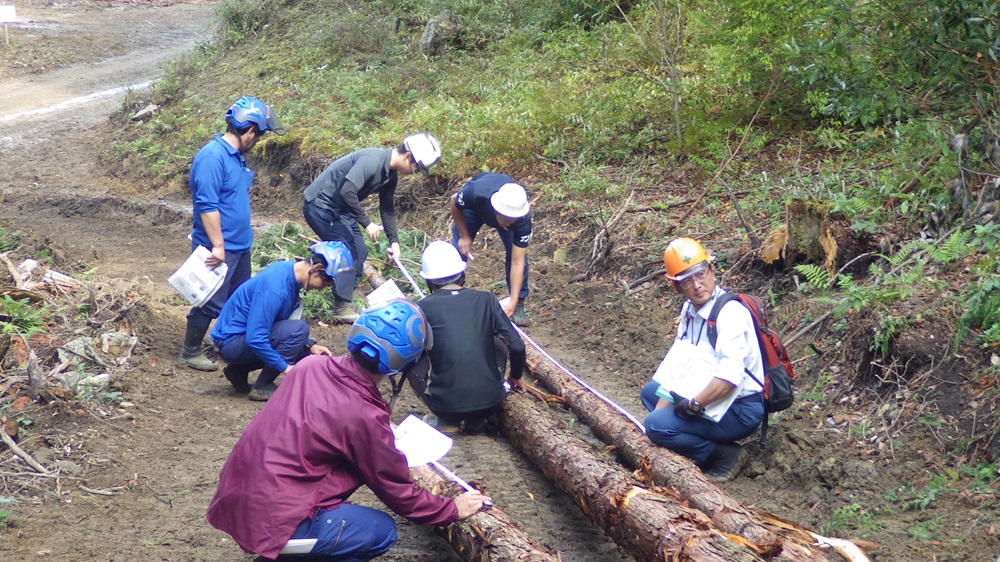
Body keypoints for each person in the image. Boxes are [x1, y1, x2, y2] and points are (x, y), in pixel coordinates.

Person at [206, 298, 490, 561]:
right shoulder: (365, 414)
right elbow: (396, 490)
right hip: (276, 516)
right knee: (380, 532)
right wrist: (451, 509)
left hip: (236, 497)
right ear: (403, 363)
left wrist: (377, 433)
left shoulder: (310, 366)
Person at [640, 237, 765, 482]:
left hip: (739, 407)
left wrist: (693, 406)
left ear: (711, 270)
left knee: (656, 425)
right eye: (687, 281)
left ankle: (723, 455)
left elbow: (729, 379)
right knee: (651, 393)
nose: (697, 285)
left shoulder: (730, 314)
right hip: (711, 393)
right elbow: (678, 364)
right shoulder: (689, 310)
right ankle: (686, 440)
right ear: (675, 286)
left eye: (701, 274)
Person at [179, 95, 286, 372]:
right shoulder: (212, 157)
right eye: (258, 135)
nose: (257, 140)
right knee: (209, 298)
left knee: (238, 297)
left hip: (239, 244)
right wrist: (217, 245)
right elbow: (207, 204)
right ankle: (189, 351)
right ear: (249, 131)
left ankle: (222, 344)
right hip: (218, 246)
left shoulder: (236, 158)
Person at [302, 132, 442, 323]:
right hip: (320, 205)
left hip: (340, 209)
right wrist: (367, 223)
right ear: (408, 156)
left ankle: (345, 299)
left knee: (360, 250)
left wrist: (394, 242)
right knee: (346, 252)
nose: (414, 173)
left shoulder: (389, 176)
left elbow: (387, 209)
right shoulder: (372, 161)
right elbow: (347, 191)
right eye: (416, 168)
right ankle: (334, 302)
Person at [404, 241, 527, 434]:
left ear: (429, 282)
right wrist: (515, 376)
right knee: (498, 343)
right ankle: (475, 420)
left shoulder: (422, 307)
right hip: (490, 402)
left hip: (445, 406)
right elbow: (517, 346)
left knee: (412, 355)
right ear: (462, 275)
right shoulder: (486, 299)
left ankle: (445, 420)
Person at [210, 241, 355, 401]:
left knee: (300, 345)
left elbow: (277, 324)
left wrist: (310, 345)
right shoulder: (274, 289)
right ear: (317, 268)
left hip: (239, 338)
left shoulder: (289, 273)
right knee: (299, 330)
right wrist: (286, 368)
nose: (322, 289)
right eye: (325, 283)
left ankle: (238, 371)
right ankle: (262, 386)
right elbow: (256, 338)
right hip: (230, 342)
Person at [450, 172, 532, 326]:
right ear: (497, 209)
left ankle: (519, 304)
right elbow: (454, 202)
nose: (509, 222)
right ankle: (450, 295)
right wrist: (464, 235)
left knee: (517, 256)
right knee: (457, 251)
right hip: (475, 209)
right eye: (506, 218)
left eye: (512, 219)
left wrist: (513, 300)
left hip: (494, 212)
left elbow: (517, 262)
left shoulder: (522, 222)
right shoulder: (476, 193)